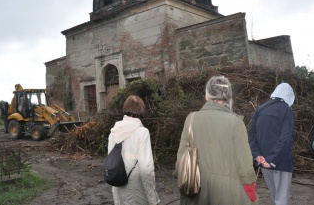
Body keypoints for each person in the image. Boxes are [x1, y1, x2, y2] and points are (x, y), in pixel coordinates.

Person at [175, 75, 258, 204]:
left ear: (207, 95)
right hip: (229, 193)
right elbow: (244, 164)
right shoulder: (235, 122)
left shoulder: (191, 119)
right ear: (228, 97)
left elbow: (181, 158)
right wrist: (251, 190)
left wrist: (180, 176)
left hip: (197, 190)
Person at [107, 95, 160, 205]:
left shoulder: (113, 131)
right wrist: (152, 198)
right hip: (136, 189)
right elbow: (146, 169)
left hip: (117, 184)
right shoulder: (142, 132)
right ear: (141, 110)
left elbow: (111, 161)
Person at [248, 83, 295, 205]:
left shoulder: (260, 109)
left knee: (274, 195)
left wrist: (257, 155)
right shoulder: (286, 110)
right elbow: (285, 137)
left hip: (262, 160)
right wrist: (271, 158)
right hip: (280, 161)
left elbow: (251, 135)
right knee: (281, 198)